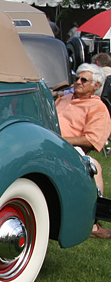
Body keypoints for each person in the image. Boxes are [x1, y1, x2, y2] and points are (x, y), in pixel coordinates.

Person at [55, 63, 111, 238]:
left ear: (96, 86)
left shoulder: (98, 108)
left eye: (83, 79)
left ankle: (93, 224)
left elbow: (91, 140)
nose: (78, 82)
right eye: (77, 78)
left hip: (69, 150)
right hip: (42, 141)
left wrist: (60, 140)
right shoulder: (64, 99)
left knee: (94, 166)